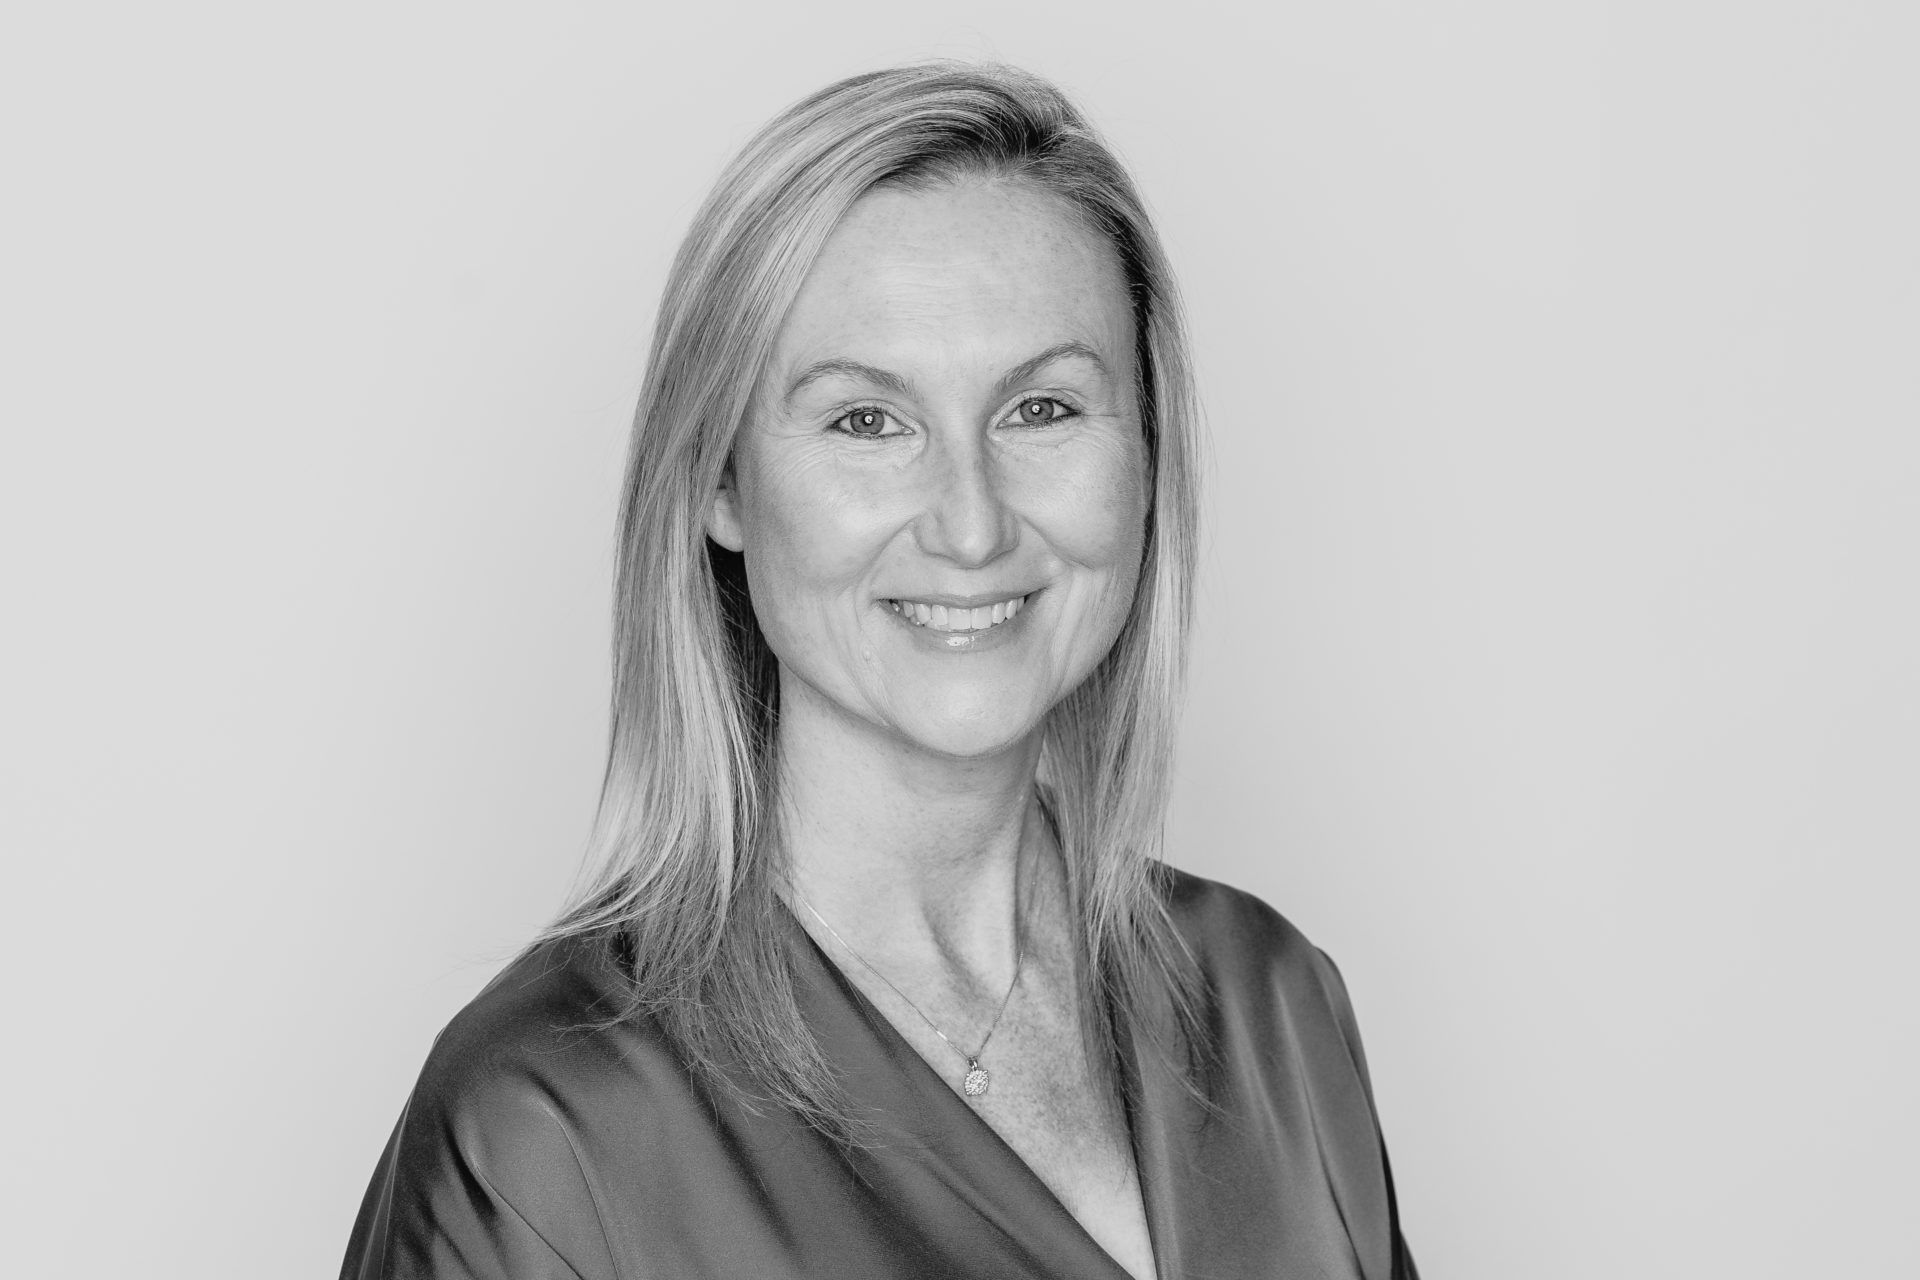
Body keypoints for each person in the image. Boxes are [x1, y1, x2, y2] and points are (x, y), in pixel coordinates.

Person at [342, 62, 1418, 1280]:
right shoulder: (545, 1133)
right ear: (720, 481)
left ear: (1150, 453)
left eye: (1044, 409)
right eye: (867, 420)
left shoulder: (1272, 1002)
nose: (970, 524)